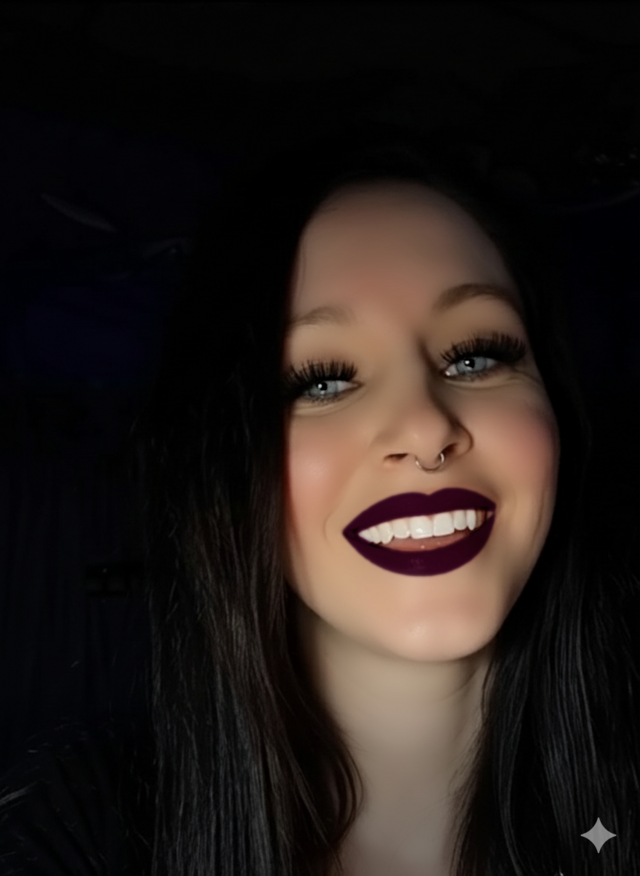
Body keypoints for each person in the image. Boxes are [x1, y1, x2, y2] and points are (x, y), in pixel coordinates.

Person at [2, 121, 639, 876]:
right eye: (325, 380)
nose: (425, 428)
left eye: (476, 357)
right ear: (223, 457)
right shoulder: (68, 838)